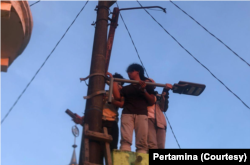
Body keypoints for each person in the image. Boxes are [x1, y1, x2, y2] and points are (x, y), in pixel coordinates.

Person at [73, 73, 124, 151]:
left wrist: (111, 78)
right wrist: (82, 118)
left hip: (111, 122)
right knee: (96, 149)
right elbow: (97, 109)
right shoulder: (105, 93)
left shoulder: (119, 94)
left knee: (112, 150)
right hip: (99, 121)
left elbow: (119, 100)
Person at [111, 63, 155, 154]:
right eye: (128, 72)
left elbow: (151, 101)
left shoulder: (147, 84)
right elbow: (118, 97)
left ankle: (141, 157)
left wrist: (144, 91)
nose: (129, 73)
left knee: (142, 140)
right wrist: (114, 82)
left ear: (137, 71)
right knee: (125, 139)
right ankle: (125, 155)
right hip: (127, 113)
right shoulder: (126, 88)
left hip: (142, 113)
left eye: (131, 71)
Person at [146, 78, 172, 150]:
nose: (147, 84)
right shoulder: (142, 94)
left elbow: (164, 108)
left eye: (149, 83)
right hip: (148, 119)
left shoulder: (158, 96)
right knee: (151, 144)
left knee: (160, 146)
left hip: (160, 122)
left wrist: (165, 91)